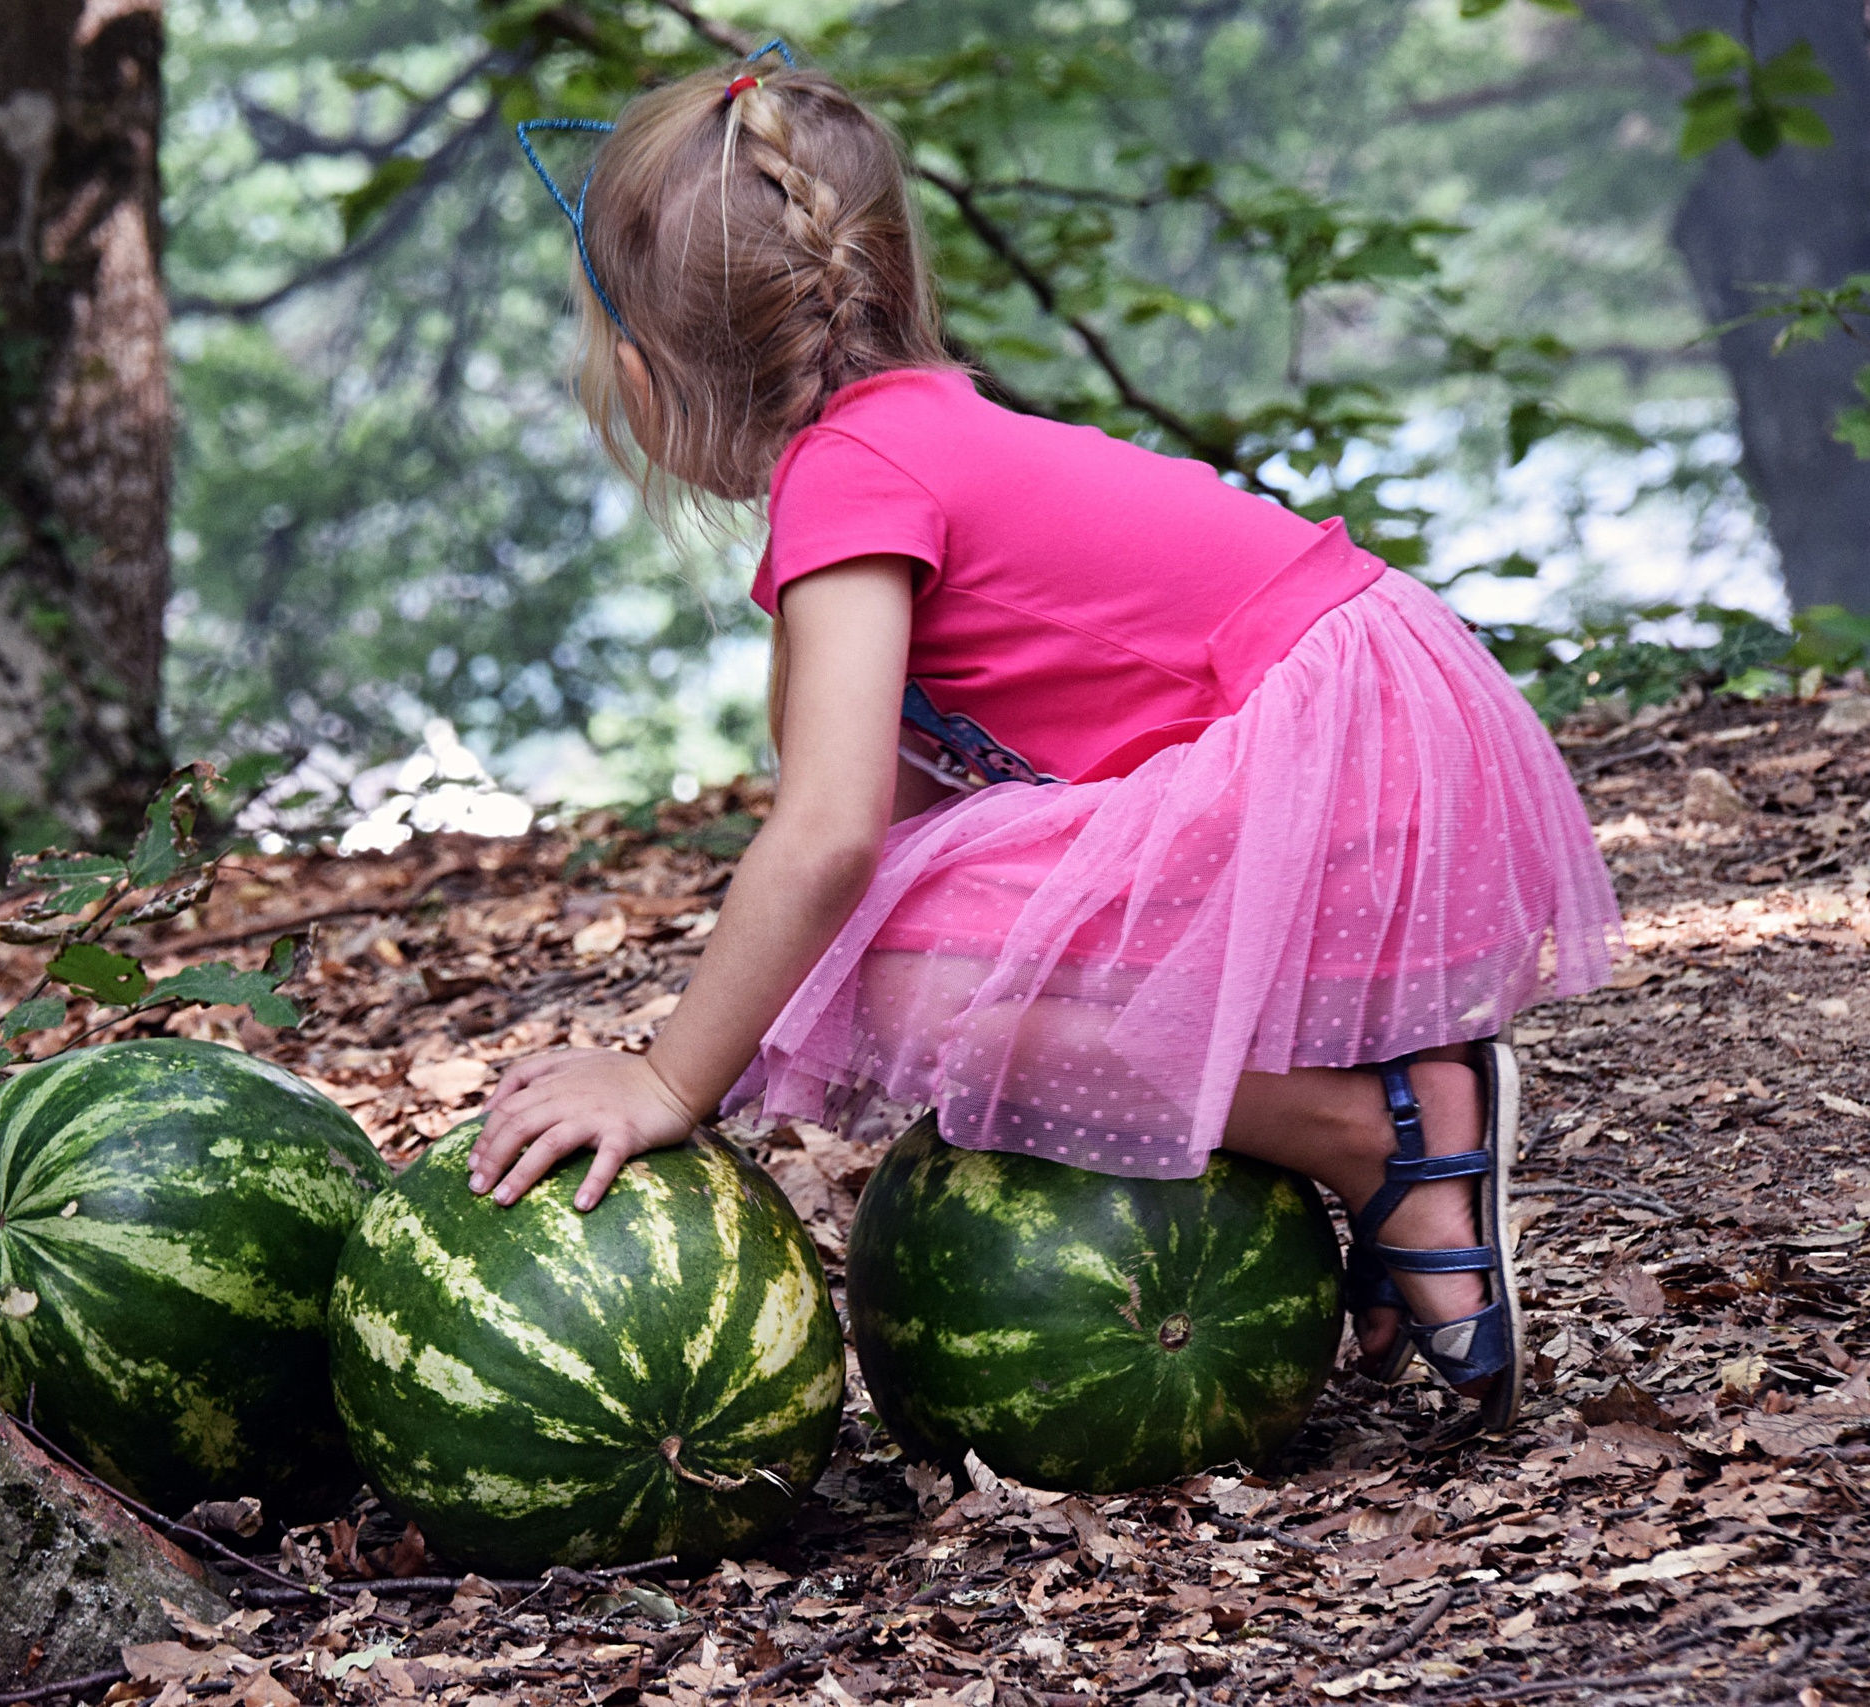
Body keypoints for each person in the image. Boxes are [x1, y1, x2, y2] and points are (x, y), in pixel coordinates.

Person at [470, 53, 1620, 1430]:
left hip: (1339, 757)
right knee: (909, 949)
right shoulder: (910, 435)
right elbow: (889, 816)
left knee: (906, 979)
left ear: (650, 369)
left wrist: (669, 1077)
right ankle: (1381, 1113)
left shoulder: (853, 479)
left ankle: (1384, 1136)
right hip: (1369, 735)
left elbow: (833, 838)